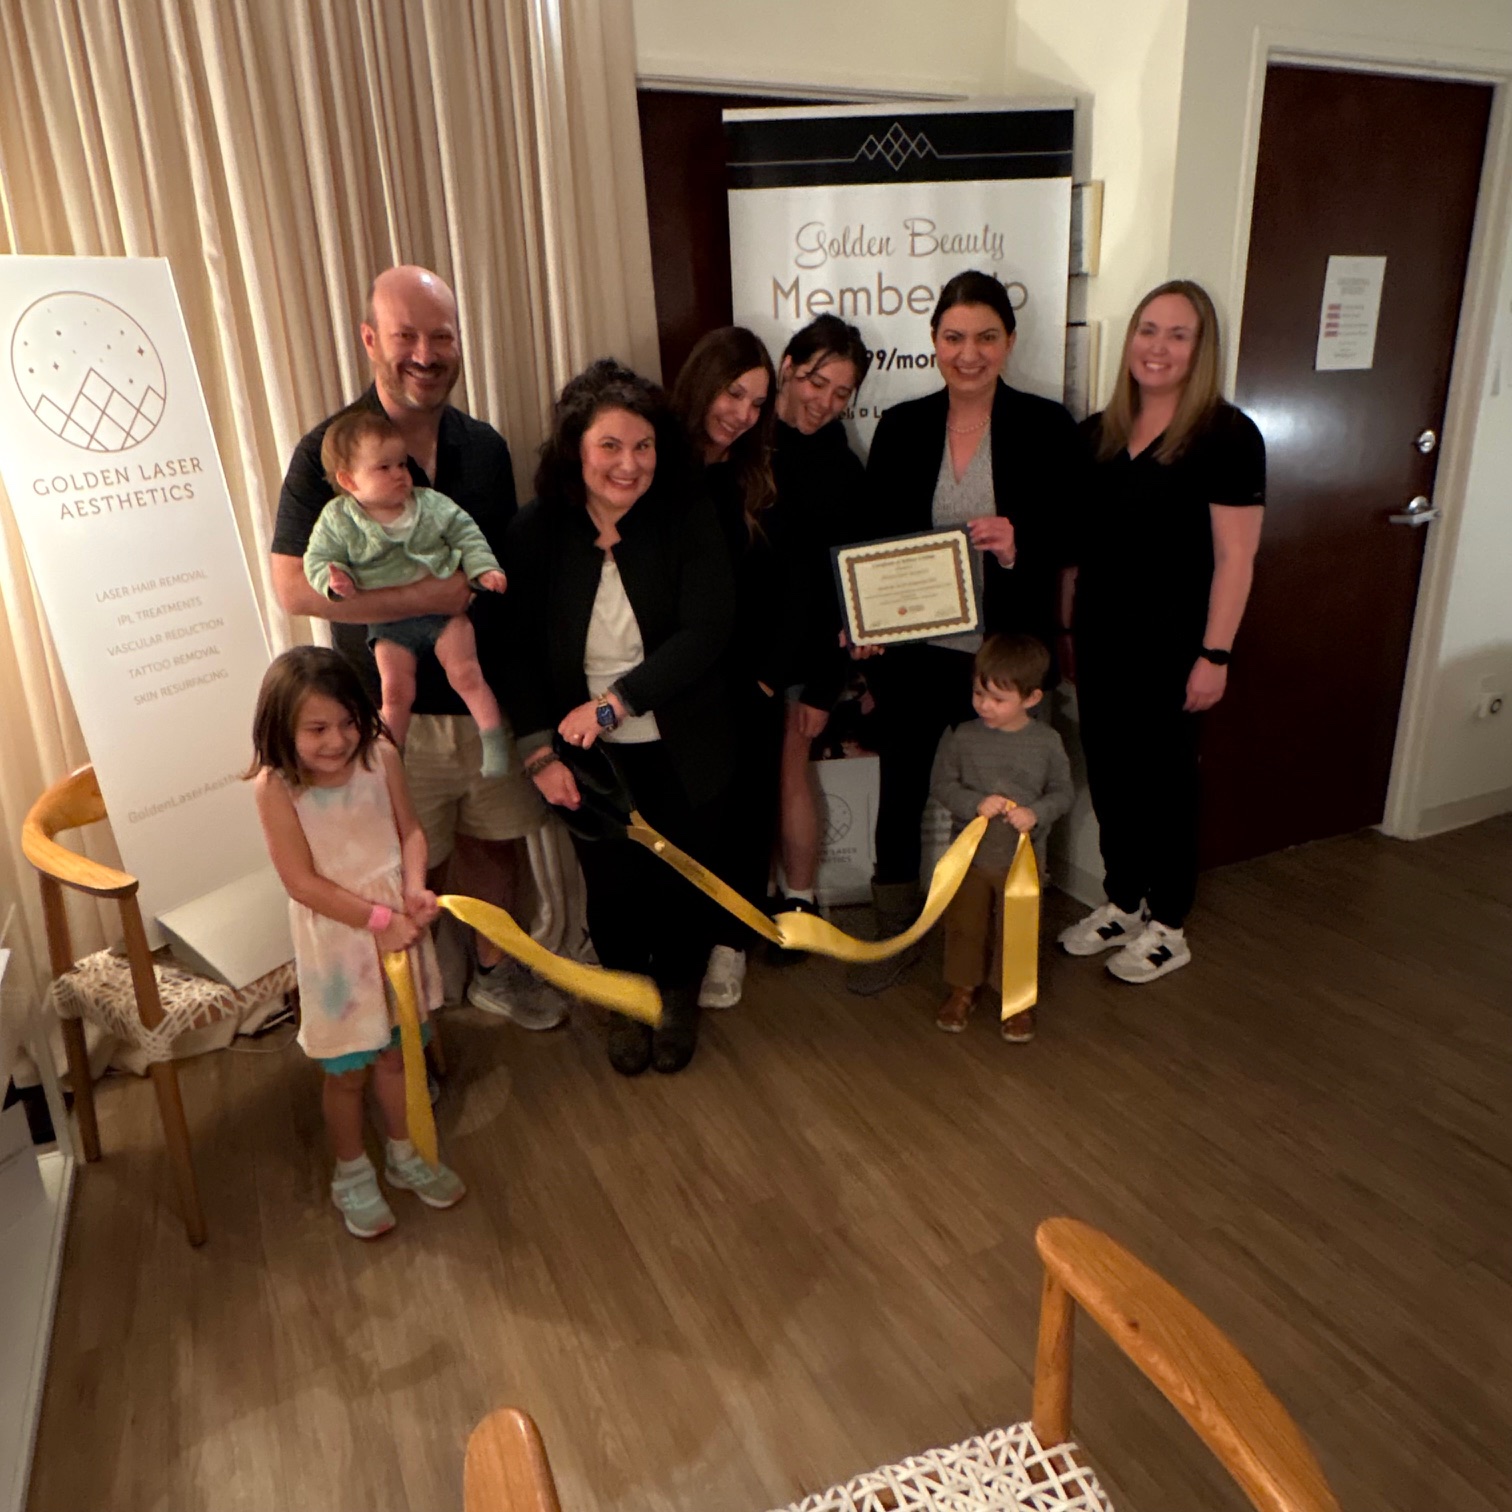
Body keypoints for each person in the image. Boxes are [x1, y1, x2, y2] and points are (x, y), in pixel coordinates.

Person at [270, 265, 564, 1031]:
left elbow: (494, 568)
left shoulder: (485, 447)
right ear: (371, 339)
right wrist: (423, 600)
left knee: (494, 845)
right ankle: (411, 1014)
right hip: (381, 712)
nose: (425, 355)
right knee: (404, 866)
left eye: (441, 337)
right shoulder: (327, 450)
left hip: (481, 694)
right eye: (406, 336)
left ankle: (495, 973)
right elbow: (293, 588)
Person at [851, 270, 1084, 996]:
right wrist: (865, 625)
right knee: (903, 792)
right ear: (934, 342)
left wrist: (1021, 544)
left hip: (1005, 658)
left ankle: (1005, 941)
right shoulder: (902, 426)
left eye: (986, 337)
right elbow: (875, 540)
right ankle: (894, 933)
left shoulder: (1046, 425)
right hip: (918, 656)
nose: (969, 353)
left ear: (1009, 342)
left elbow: (1077, 530)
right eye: (954, 337)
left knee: (1011, 801)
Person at [501, 360, 735, 1075]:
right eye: (610, 445)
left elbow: (707, 630)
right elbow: (513, 651)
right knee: (611, 883)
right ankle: (629, 998)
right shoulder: (537, 530)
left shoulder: (687, 515)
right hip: (584, 754)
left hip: (680, 734)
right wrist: (540, 753)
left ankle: (679, 994)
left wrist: (613, 704)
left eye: (643, 446)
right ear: (576, 448)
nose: (629, 464)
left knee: (682, 876)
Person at [1059, 279, 1265, 983]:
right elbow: (1079, 550)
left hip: (1177, 647)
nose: (1159, 347)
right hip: (1101, 638)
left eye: (1179, 334)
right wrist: (1067, 631)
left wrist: (1216, 654)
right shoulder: (1099, 433)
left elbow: (1236, 558)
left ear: (1201, 349)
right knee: (1111, 774)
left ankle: (1169, 923)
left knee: (1167, 784)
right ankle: (1123, 900)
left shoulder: (1227, 437)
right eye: (1149, 330)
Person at [248, 646, 466, 1239]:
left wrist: (414, 888)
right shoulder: (275, 788)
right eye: (317, 729)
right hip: (339, 946)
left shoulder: (381, 756)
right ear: (280, 726)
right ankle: (351, 1173)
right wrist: (378, 920)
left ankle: (404, 1153)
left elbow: (411, 832)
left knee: (398, 1054)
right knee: (347, 1071)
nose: (338, 740)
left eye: (347, 722)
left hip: (396, 931)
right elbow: (301, 883)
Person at [303, 409, 512, 773]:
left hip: (445, 614)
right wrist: (332, 580)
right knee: (396, 692)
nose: (400, 474)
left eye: (402, 464)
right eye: (384, 468)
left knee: (466, 674)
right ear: (349, 480)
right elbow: (317, 559)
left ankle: (493, 743)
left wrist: (483, 568)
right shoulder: (338, 518)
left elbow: (466, 532)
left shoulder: (429, 503)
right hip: (389, 624)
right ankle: (391, 757)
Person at [669, 327, 778, 1011]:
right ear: (703, 381)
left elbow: (781, 581)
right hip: (674, 678)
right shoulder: (654, 464)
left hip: (744, 680)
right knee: (683, 817)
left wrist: (767, 674)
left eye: (756, 402)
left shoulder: (755, 473)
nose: (741, 413)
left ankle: (730, 943)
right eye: (733, 393)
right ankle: (678, 942)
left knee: (744, 813)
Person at [767, 315, 871, 938]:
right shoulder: (741, 442)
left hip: (804, 656)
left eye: (841, 393)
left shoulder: (843, 468)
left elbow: (849, 588)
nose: (825, 402)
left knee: (791, 771)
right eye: (816, 382)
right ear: (787, 367)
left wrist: (827, 683)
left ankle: (800, 904)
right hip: (728, 650)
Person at [929, 635, 1072, 1041]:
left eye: (997, 699)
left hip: (1022, 861)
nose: (984, 705)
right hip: (970, 858)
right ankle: (962, 990)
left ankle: (1016, 999)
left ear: (1032, 698)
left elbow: (1063, 792)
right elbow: (942, 785)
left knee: (1019, 930)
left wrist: (1036, 812)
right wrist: (974, 803)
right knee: (965, 926)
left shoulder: (1046, 742)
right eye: (978, 693)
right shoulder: (962, 736)